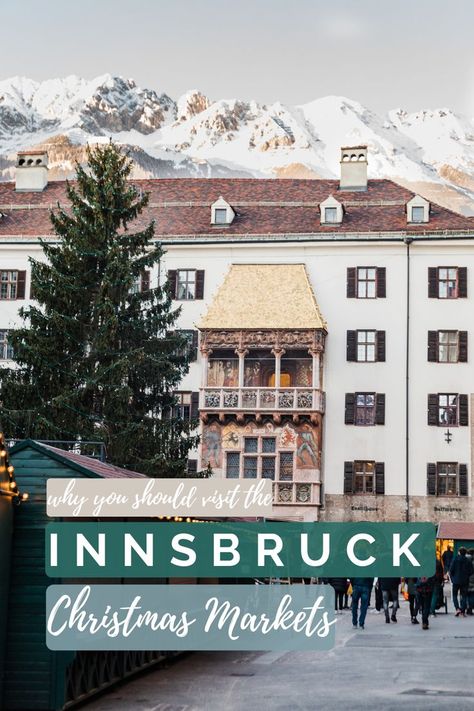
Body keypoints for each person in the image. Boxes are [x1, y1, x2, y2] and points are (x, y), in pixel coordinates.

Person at [449, 547, 473, 617]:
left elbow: (451, 570)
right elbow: (471, 571)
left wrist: (453, 578)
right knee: (464, 596)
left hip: (456, 581)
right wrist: (467, 575)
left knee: (454, 595)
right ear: (465, 553)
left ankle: (457, 609)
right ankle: (462, 611)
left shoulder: (455, 559)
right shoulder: (468, 560)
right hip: (465, 581)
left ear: (459, 552)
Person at [467, 549, 474, 616]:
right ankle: (470, 609)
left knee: (465, 595)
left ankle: (465, 608)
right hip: (473, 580)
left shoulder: (465, 561)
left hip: (465, 580)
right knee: (472, 595)